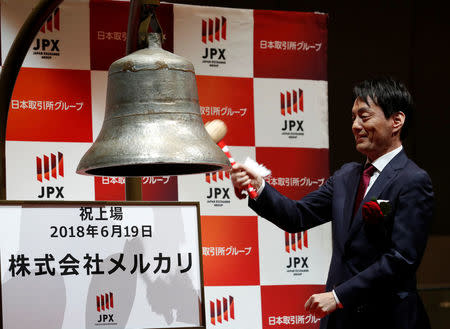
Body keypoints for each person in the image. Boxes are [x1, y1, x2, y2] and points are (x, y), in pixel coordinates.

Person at [231, 76, 433, 329]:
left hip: (388, 318)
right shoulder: (346, 177)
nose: (356, 126)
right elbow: (297, 216)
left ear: (396, 121)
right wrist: (257, 187)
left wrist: (339, 296)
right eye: (353, 118)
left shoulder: (413, 180)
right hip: (342, 319)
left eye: (365, 116)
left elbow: (401, 259)